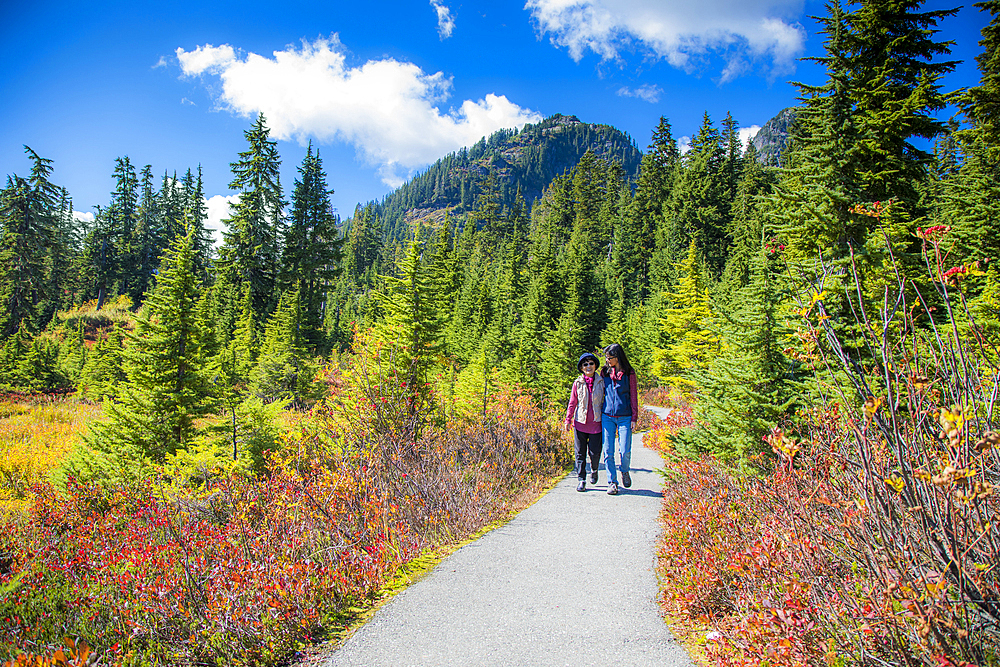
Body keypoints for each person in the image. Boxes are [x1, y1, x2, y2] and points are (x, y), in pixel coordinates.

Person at [563, 352, 604, 492]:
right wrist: (568, 419)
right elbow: (572, 402)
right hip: (580, 423)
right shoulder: (578, 383)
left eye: (591, 363)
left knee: (595, 452)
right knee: (580, 453)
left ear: (595, 366)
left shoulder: (601, 381)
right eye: (585, 364)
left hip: (596, 424)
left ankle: (594, 469)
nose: (588, 366)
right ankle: (581, 480)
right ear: (581, 367)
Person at [600, 343, 637, 495]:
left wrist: (634, 417)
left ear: (618, 357)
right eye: (606, 358)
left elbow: (634, 396)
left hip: (625, 417)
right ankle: (612, 482)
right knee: (608, 451)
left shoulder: (629, 373)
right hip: (607, 416)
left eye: (610, 358)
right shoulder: (604, 372)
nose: (607, 360)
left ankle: (625, 471)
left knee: (625, 451)